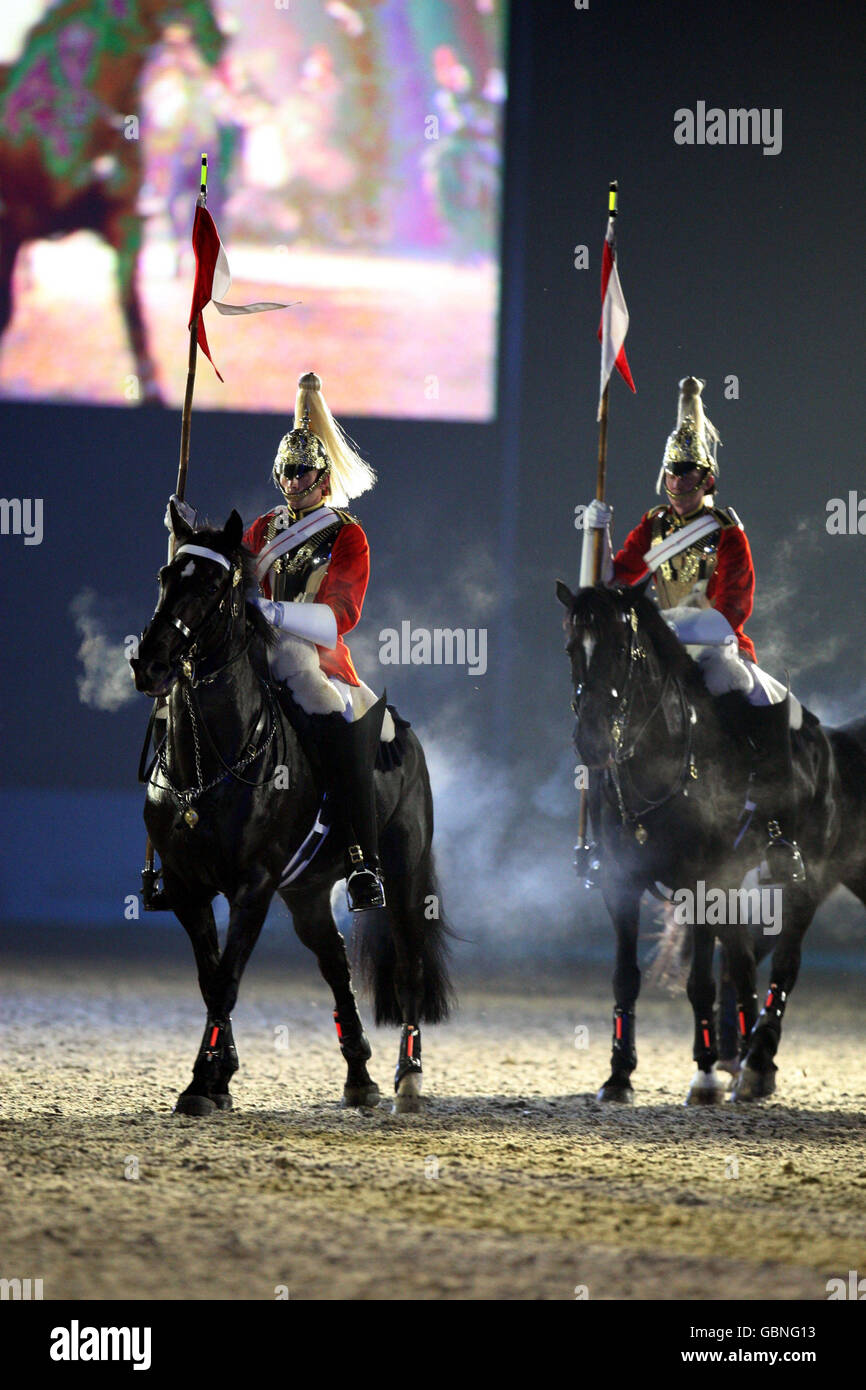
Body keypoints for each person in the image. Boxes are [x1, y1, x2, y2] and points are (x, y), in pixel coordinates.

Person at [579, 376, 805, 885]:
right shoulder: (653, 523)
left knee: (764, 706)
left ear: (707, 478)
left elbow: (734, 605)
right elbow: (615, 578)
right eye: (672, 472)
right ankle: (599, 833)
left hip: (714, 644)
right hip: (660, 647)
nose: (678, 480)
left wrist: (680, 627)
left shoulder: (727, 532)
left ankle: (774, 828)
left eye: (688, 472)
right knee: (602, 700)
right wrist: (600, 531)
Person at [242, 370, 387, 912]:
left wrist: (274, 609)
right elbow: (234, 589)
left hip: (316, 659)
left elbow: (340, 616)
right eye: (286, 469)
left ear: (323, 476)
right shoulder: (260, 528)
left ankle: (360, 861)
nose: (293, 478)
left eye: (302, 469)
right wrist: (188, 540)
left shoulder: (346, 534)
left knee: (335, 724)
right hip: (256, 650)